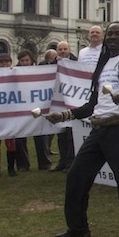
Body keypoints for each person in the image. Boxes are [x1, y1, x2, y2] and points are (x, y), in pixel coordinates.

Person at [47, 22, 119, 237]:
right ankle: (77, 228)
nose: (112, 37)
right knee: (76, 176)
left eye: (117, 34)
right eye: (110, 34)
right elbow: (91, 104)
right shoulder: (102, 65)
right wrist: (64, 115)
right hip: (99, 129)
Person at [0, 53, 18, 177]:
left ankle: (11, 168)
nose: (5, 65)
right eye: (2, 62)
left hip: (10, 112)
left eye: (7, 62)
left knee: (10, 142)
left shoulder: (16, 74)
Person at [50, 41, 77, 173]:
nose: (62, 51)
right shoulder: (52, 65)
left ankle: (71, 162)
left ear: (69, 50)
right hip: (58, 104)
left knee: (70, 135)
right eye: (60, 49)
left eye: (65, 49)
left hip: (72, 102)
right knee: (60, 135)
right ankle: (62, 161)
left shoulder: (76, 63)